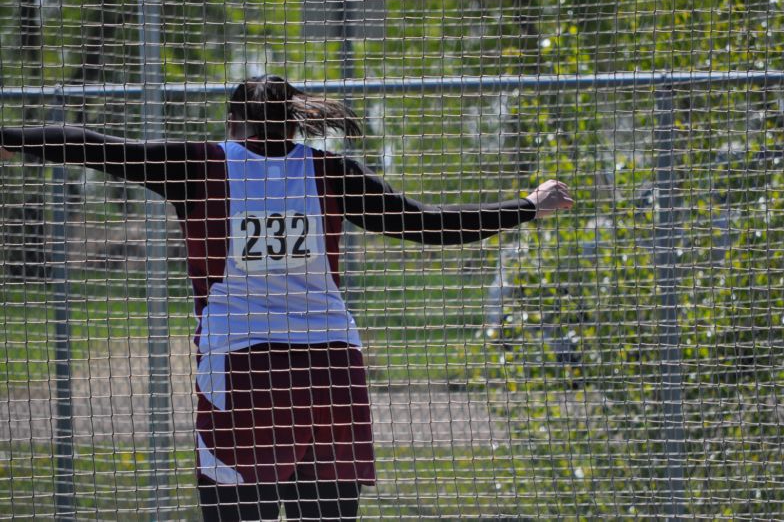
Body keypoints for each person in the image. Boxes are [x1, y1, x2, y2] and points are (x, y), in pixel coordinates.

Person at [0, 75, 574, 521]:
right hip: (331, 373)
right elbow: (430, 225)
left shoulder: (200, 165)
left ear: (233, 120)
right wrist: (527, 205)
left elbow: (91, 146)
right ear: (295, 125)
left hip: (245, 372)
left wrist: (9, 141)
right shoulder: (330, 172)